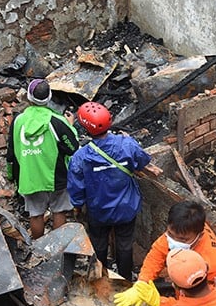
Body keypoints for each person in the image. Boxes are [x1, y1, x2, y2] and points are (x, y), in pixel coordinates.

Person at [67, 101, 160, 281]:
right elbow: (142, 161)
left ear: (85, 128)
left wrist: (77, 206)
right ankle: (124, 278)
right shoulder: (127, 144)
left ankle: (102, 277)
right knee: (125, 243)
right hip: (126, 208)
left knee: (99, 243)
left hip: (98, 211)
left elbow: (76, 187)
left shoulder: (81, 157)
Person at [113, 200, 216, 306]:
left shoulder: (210, 266)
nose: (173, 241)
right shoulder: (187, 227)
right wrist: (142, 282)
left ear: (200, 235)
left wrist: (159, 303)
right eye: (170, 234)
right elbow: (157, 254)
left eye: (182, 239)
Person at [7, 79, 79, 239]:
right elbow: (72, 147)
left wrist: (11, 175)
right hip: (56, 178)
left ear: (29, 97)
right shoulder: (57, 122)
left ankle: (38, 249)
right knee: (59, 211)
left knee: (36, 215)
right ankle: (57, 248)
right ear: (49, 97)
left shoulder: (18, 121)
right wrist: (71, 126)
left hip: (29, 177)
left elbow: (11, 151)